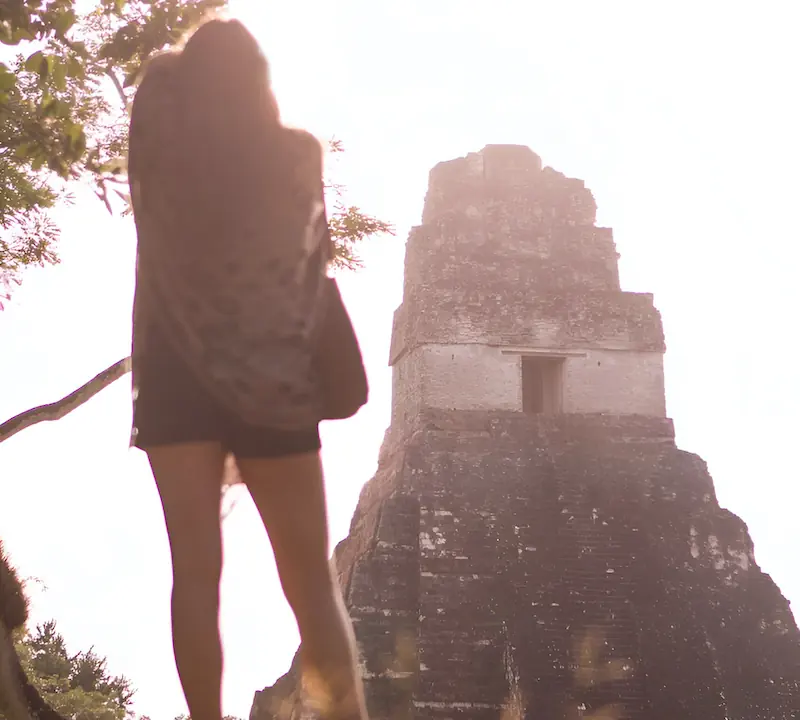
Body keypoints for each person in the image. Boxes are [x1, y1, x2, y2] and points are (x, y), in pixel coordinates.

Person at [127, 18, 368, 720]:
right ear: (263, 83)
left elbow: (155, 90)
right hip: (275, 383)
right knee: (310, 588)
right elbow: (311, 263)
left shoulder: (160, 155)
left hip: (173, 386)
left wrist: (175, 64)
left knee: (195, 580)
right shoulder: (297, 155)